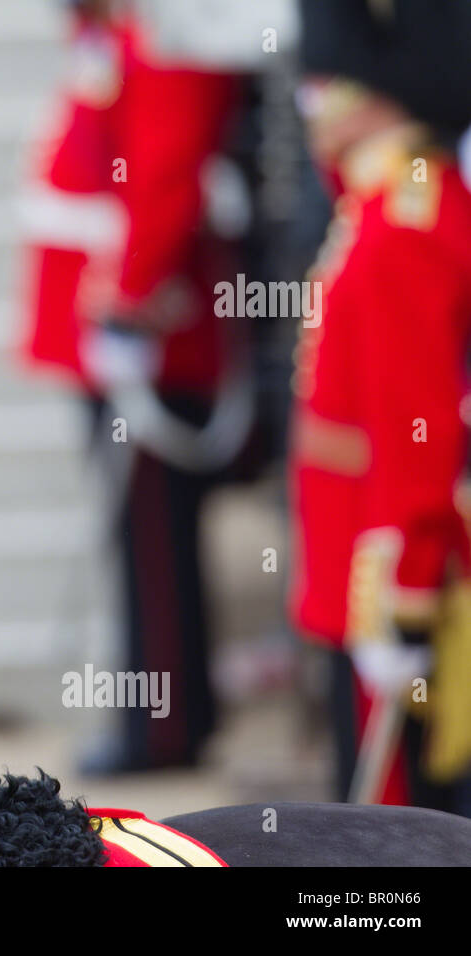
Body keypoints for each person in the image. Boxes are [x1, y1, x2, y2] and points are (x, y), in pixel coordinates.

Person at [17, 2, 243, 773]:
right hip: (108, 322)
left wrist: (134, 299)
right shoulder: (120, 32)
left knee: (151, 537)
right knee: (142, 531)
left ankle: (166, 723)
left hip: (142, 328)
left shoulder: (164, 33)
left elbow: (168, 171)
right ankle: (176, 711)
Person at [290, 0, 471, 813]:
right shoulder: (377, 200)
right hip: (351, 548)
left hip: (384, 563)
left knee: (399, 826)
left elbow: (416, 425)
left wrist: (410, 592)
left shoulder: (407, 217)